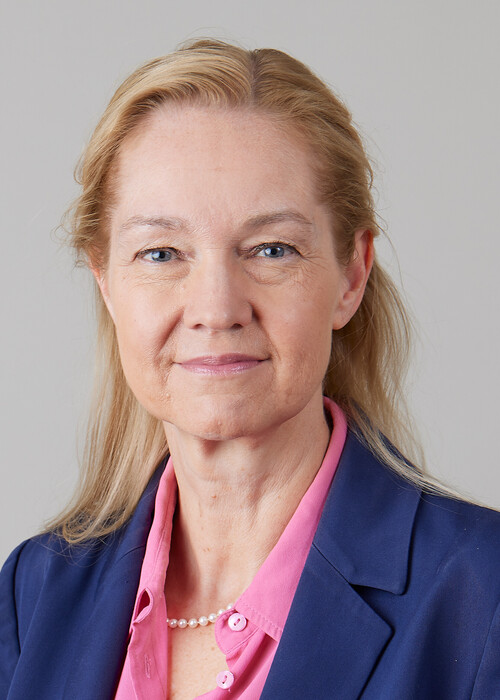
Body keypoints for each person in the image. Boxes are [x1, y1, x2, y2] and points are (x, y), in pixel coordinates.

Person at [1, 38, 499, 700]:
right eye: (161, 254)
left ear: (351, 275)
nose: (216, 308)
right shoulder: (32, 596)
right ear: (105, 283)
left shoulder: (484, 597)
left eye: (271, 249)